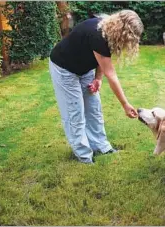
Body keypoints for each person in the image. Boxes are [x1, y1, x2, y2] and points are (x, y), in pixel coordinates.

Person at [49, 10, 144, 164]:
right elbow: (111, 75)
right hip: (64, 68)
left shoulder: (109, 33)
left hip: (85, 68)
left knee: (93, 108)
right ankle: (84, 156)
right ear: (123, 31)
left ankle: (101, 146)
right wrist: (125, 104)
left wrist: (97, 78)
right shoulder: (98, 34)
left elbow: (103, 56)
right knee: (75, 112)